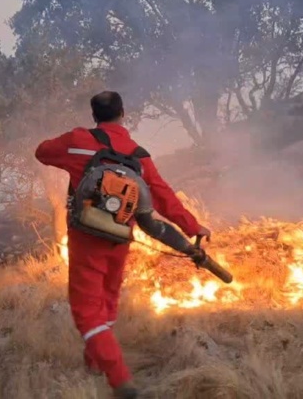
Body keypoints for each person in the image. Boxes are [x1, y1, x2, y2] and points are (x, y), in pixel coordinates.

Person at [34, 91, 211, 398]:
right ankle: (94, 361)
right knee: (108, 300)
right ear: (123, 113)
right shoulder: (138, 155)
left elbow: (42, 152)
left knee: (87, 312)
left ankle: (121, 383)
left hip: (86, 238)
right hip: (120, 240)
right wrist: (194, 227)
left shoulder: (77, 140)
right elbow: (163, 197)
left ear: (94, 115)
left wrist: (70, 150)